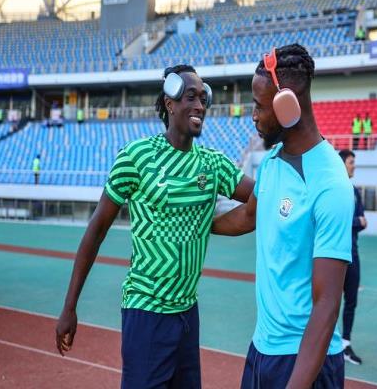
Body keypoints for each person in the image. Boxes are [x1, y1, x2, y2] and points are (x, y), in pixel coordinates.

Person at [55, 64, 253, 388]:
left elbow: (259, 198)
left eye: (203, 99)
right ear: (170, 103)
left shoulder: (213, 163)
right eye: (191, 97)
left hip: (188, 314)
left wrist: (294, 167)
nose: (200, 106)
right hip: (146, 312)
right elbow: (96, 231)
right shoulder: (136, 157)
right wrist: (69, 307)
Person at [213, 44, 354, 388]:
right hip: (262, 350)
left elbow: (327, 304)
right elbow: (249, 216)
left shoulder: (330, 183)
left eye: (260, 106)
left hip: (305, 361)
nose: (254, 116)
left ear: (286, 105)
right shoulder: (272, 161)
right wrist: (197, 225)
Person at [339, 149, 367, 365]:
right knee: (327, 301)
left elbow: (362, 221)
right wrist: (356, 222)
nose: (353, 166)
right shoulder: (334, 189)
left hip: (353, 254)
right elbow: (339, 221)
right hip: (334, 256)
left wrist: (354, 222)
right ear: (342, 164)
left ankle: (345, 344)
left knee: (351, 301)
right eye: (351, 162)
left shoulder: (355, 191)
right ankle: (326, 344)